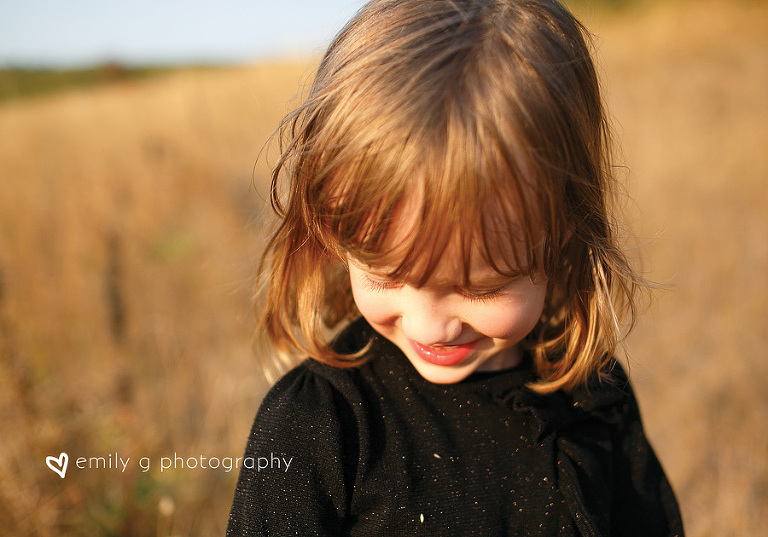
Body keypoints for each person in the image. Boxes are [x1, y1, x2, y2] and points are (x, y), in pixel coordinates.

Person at [227, 0, 684, 535]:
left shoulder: (592, 396)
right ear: (332, 229)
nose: (429, 327)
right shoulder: (318, 427)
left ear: (563, 230)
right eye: (385, 276)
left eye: (480, 289)